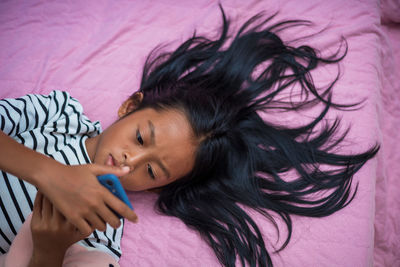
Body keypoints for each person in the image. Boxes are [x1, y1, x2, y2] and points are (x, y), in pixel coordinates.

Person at [0, 6, 379, 267]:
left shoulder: (103, 230)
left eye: (152, 173)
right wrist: (49, 173)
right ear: (130, 107)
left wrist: (48, 251)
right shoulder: (61, 113)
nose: (132, 161)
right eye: (141, 138)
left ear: (156, 189)